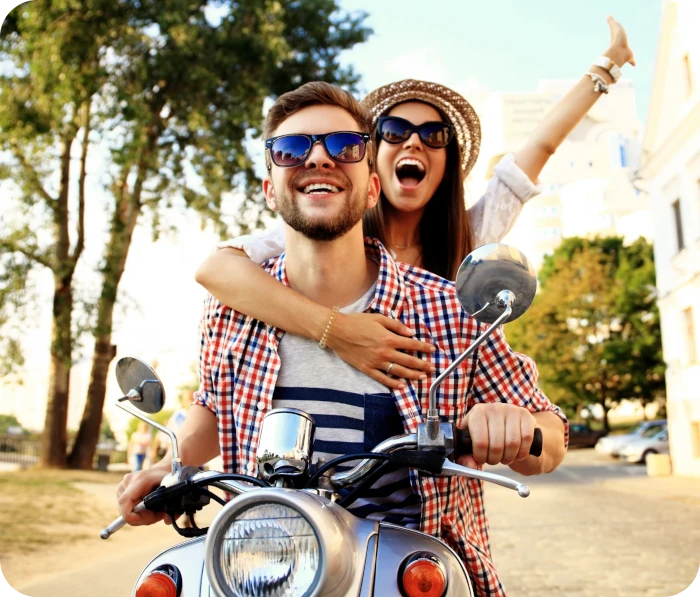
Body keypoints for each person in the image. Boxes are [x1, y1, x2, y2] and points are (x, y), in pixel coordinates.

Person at [117, 81, 569, 597]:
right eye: (290, 149)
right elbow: (214, 411)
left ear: (371, 185)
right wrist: (166, 471)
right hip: (262, 573)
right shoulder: (232, 310)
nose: (318, 158)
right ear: (270, 188)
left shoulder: (450, 307)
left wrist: (514, 426)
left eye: (344, 146)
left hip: (408, 575)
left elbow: (551, 437)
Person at [194, 16, 636, 390]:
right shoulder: (335, 229)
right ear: (370, 162)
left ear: (448, 162)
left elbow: (540, 145)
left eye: (434, 135)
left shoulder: (472, 237)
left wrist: (607, 66)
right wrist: (339, 332)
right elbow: (216, 269)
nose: (414, 142)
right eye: (395, 131)